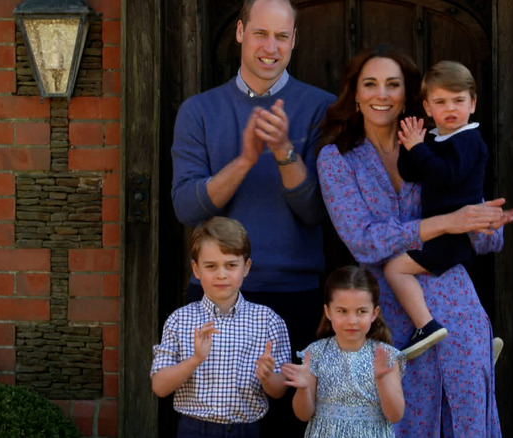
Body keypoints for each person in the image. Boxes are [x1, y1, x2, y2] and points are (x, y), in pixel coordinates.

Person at [316, 44, 513, 437]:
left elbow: (483, 235)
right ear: (355, 94)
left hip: (457, 307)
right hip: (389, 316)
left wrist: (485, 223)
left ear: (407, 96)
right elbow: (364, 242)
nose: (382, 94)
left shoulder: (437, 145)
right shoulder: (337, 160)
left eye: (393, 84)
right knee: (403, 422)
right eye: (370, 84)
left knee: (467, 420)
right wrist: (445, 223)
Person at [170, 0, 335, 434]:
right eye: (261, 33)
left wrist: (283, 152)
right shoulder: (198, 111)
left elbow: (318, 211)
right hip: (215, 298)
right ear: (240, 32)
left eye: (282, 36)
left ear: (295, 40)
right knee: (214, 422)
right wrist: (244, 160)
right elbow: (187, 208)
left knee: (288, 425)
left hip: (294, 294)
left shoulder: (322, 109)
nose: (271, 47)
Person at [383, 60, 494, 360]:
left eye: (459, 100)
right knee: (448, 292)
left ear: (472, 104)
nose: (451, 108)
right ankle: (477, 343)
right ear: (428, 108)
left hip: (455, 235)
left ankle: (426, 326)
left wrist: (420, 149)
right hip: (440, 231)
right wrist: (410, 144)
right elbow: (412, 172)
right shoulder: (437, 138)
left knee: (394, 268)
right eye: (441, 102)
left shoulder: (469, 140)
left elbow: (447, 176)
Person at [150, 217, 290, 438]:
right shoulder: (180, 320)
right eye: (211, 266)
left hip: (246, 430)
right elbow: (159, 386)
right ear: (196, 269)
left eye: (231, 265)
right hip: (193, 429)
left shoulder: (268, 321)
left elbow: (280, 390)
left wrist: (268, 377)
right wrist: (195, 359)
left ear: (247, 267)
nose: (222, 274)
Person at [281, 266, 405, 438]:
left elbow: (395, 415)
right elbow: (303, 415)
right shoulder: (315, 353)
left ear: (374, 313)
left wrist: (382, 380)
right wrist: (303, 389)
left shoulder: (386, 356)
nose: (352, 320)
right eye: (342, 311)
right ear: (328, 311)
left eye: (361, 311)